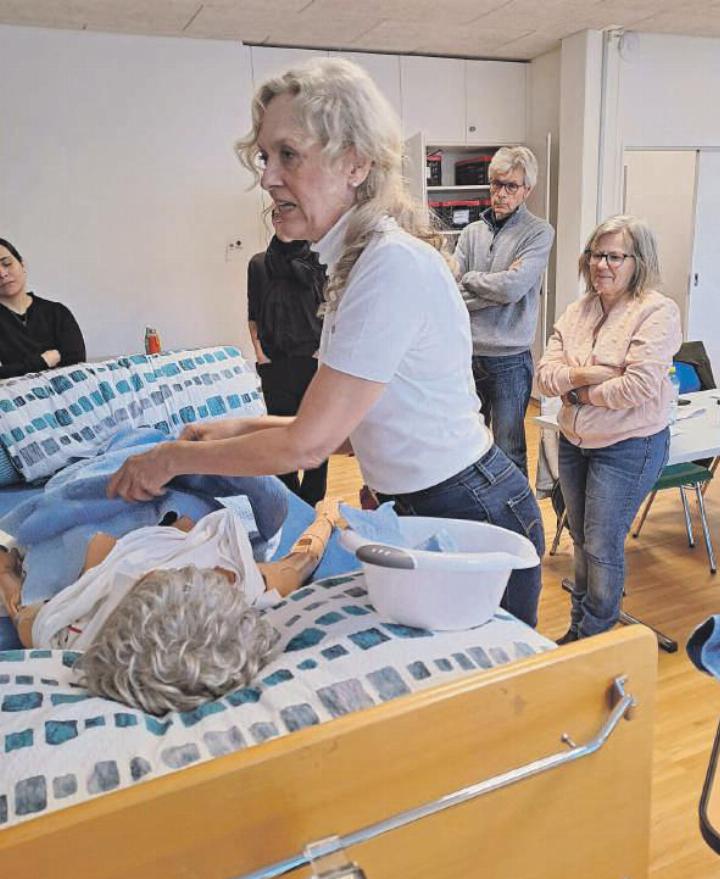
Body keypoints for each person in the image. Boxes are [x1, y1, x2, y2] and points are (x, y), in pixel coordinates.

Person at [106, 57, 544, 628]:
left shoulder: (389, 267)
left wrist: (172, 458)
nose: (268, 177)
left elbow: (308, 445)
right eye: (265, 157)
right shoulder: (356, 266)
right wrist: (237, 428)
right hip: (429, 502)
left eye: (288, 154)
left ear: (355, 163)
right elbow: (340, 433)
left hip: (470, 510)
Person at [0, 499, 339, 714]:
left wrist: (6, 570)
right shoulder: (242, 584)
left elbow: (18, 605)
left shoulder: (65, 630)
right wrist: (327, 515)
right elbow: (303, 559)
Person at [536, 215, 682, 642]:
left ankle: (595, 638)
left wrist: (577, 390)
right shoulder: (577, 311)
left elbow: (637, 386)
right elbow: (544, 376)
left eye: (615, 257)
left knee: (601, 545)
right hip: (574, 441)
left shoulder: (656, 311)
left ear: (639, 262)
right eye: (596, 254)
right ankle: (580, 627)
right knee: (581, 538)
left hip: (628, 446)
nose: (602, 264)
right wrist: (592, 374)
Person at [454, 147, 554, 476]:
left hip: (510, 360)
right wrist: (496, 288)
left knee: (509, 449)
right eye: (496, 184)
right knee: (467, 447)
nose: (501, 193)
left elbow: (513, 289)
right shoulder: (471, 233)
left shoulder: (538, 233)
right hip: (467, 355)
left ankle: (513, 510)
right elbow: (451, 292)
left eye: (511, 186)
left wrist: (471, 279)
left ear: (527, 190)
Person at [248, 211, 328, 505]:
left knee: (316, 433)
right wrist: (260, 354)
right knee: (280, 434)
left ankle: (313, 499)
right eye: (276, 215)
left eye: (287, 214)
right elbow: (253, 314)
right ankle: (291, 501)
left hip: (313, 360)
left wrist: (323, 352)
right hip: (275, 362)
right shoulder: (258, 264)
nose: (281, 220)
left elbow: (330, 307)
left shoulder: (319, 260)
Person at [0, 237, 86, 378]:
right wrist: (42, 361)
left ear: (22, 264)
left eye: (7, 263)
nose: (2, 274)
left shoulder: (57, 313)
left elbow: (77, 363)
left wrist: (16, 368)